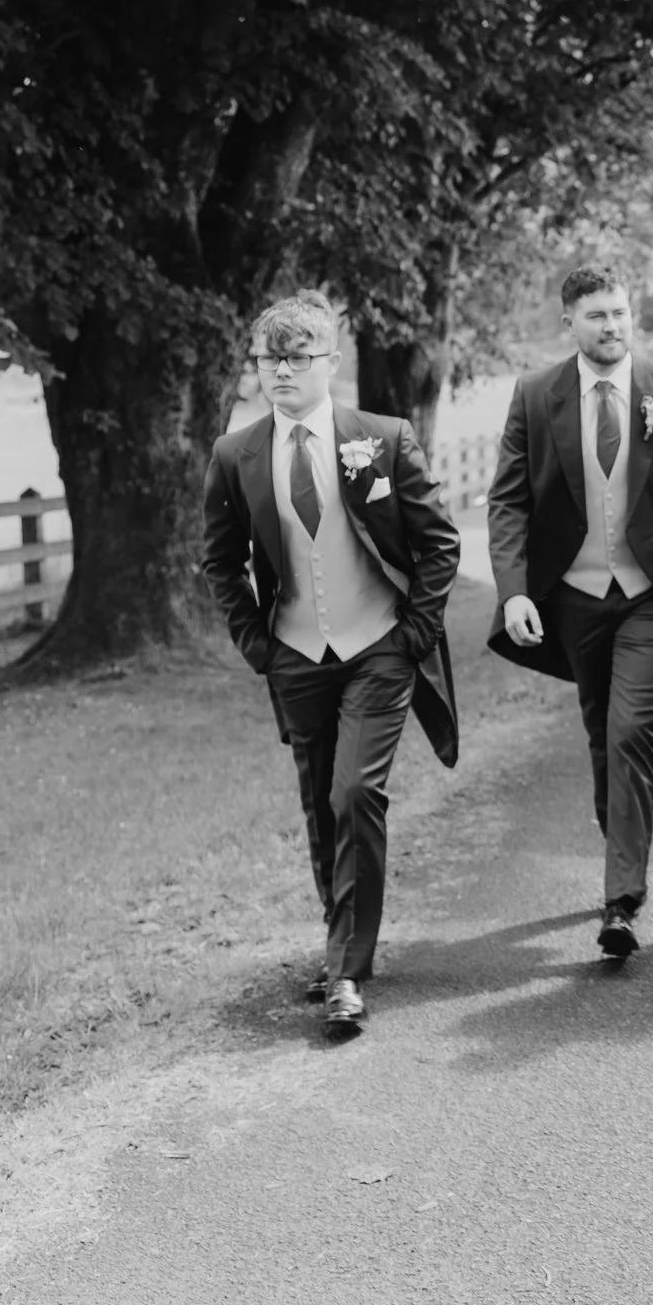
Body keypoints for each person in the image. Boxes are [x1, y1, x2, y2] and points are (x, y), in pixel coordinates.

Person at [199, 290, 461, 1039]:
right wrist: (257, 644)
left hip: (379, 645)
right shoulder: (236, 453)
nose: (281, 371)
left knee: (355, 793)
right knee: (319, 802)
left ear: (329, 363)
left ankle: (344, 968)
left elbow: (439, 540)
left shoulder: (381, 438)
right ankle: (343, 938)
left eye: (297, 357)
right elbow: (221, 561)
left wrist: (416, 630)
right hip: (296, 654)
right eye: (269, 359)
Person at [485, 266, 653, 961]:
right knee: (600, 730)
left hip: (651, 597)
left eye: (620, 312)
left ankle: (622, 898)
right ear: (570, 322)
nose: (613, 325)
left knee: (628, 731)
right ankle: (620, 847)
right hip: (575, 598)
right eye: (596, 315)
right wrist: (515, 589)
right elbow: (508, 500)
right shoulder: (535, 395)